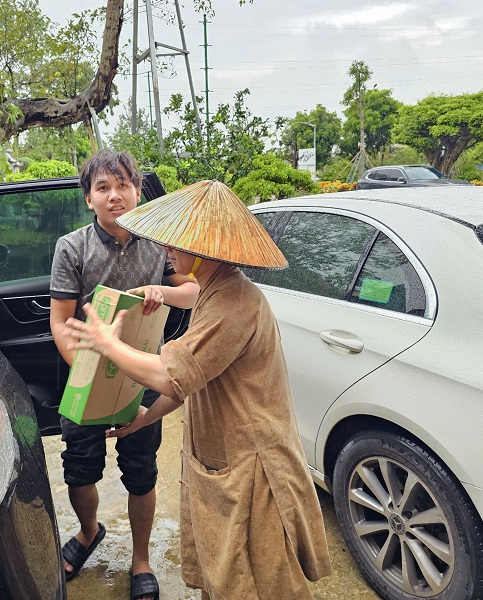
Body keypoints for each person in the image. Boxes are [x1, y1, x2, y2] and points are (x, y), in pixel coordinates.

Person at [62, 180, 333, 600]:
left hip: (254, 469)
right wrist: (146, 418)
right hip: (229, 459)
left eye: (177, 242)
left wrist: (107, 345)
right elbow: (191, 379)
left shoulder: (234, 303)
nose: (167, 250)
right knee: (228, 575)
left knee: (261, 580)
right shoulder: (212, 290)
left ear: (205, 248)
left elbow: (170, 376)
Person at [49, 149, 199, 600]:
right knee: (78, 471)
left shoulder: (159, 246)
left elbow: (193, 291)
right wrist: (92, 374)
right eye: (103, 188)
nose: (115, 196)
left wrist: (162, 291)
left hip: (145, 378)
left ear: (138, 192)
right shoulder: (71, 247)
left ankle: (141, 560)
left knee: (141, 472)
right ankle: (88, 531)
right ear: (88, 199)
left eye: (123, 186)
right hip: (85, 377)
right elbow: (59, 322)